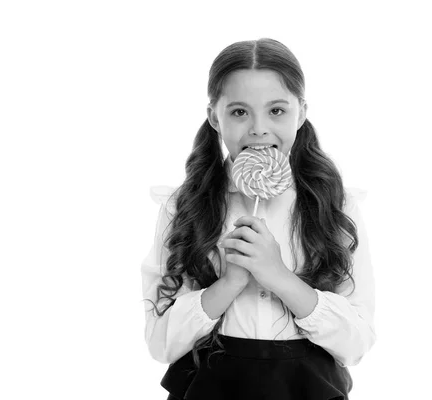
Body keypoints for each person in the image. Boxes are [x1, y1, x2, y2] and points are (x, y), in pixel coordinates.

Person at [141, 38, 376, 400]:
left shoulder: (335, 206)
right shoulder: (182, 207)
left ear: (301, 111)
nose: (258, 128)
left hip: (307, 386)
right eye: (239, 112)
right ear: (213, 117)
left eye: (277, 111)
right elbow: (160, 345)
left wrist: (279, 277)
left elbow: (355, 344)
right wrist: (229, 283)